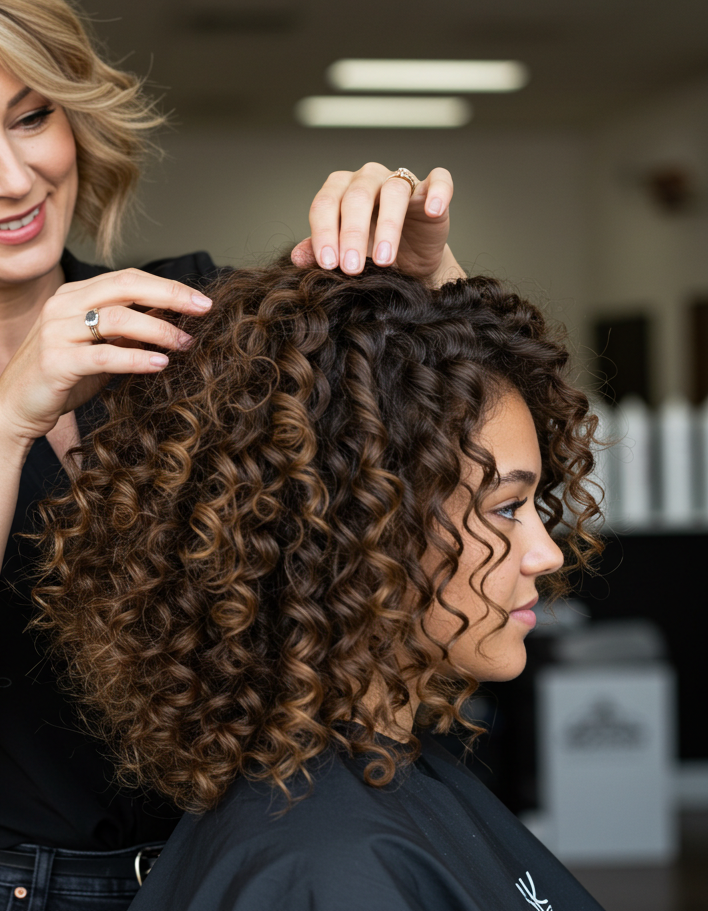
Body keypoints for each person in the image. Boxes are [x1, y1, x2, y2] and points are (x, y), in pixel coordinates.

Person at [0, 0, 461, 911]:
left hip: (241, 870)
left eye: (32, 116)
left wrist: (430, 290)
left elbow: (456, 514)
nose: (15, 175)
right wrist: (6, 417)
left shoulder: (203, 321)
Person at [33, 258, 606, 910]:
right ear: (358, 532)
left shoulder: (373, 784)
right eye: (506, 508)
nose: (546, 554)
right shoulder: (326, 873)